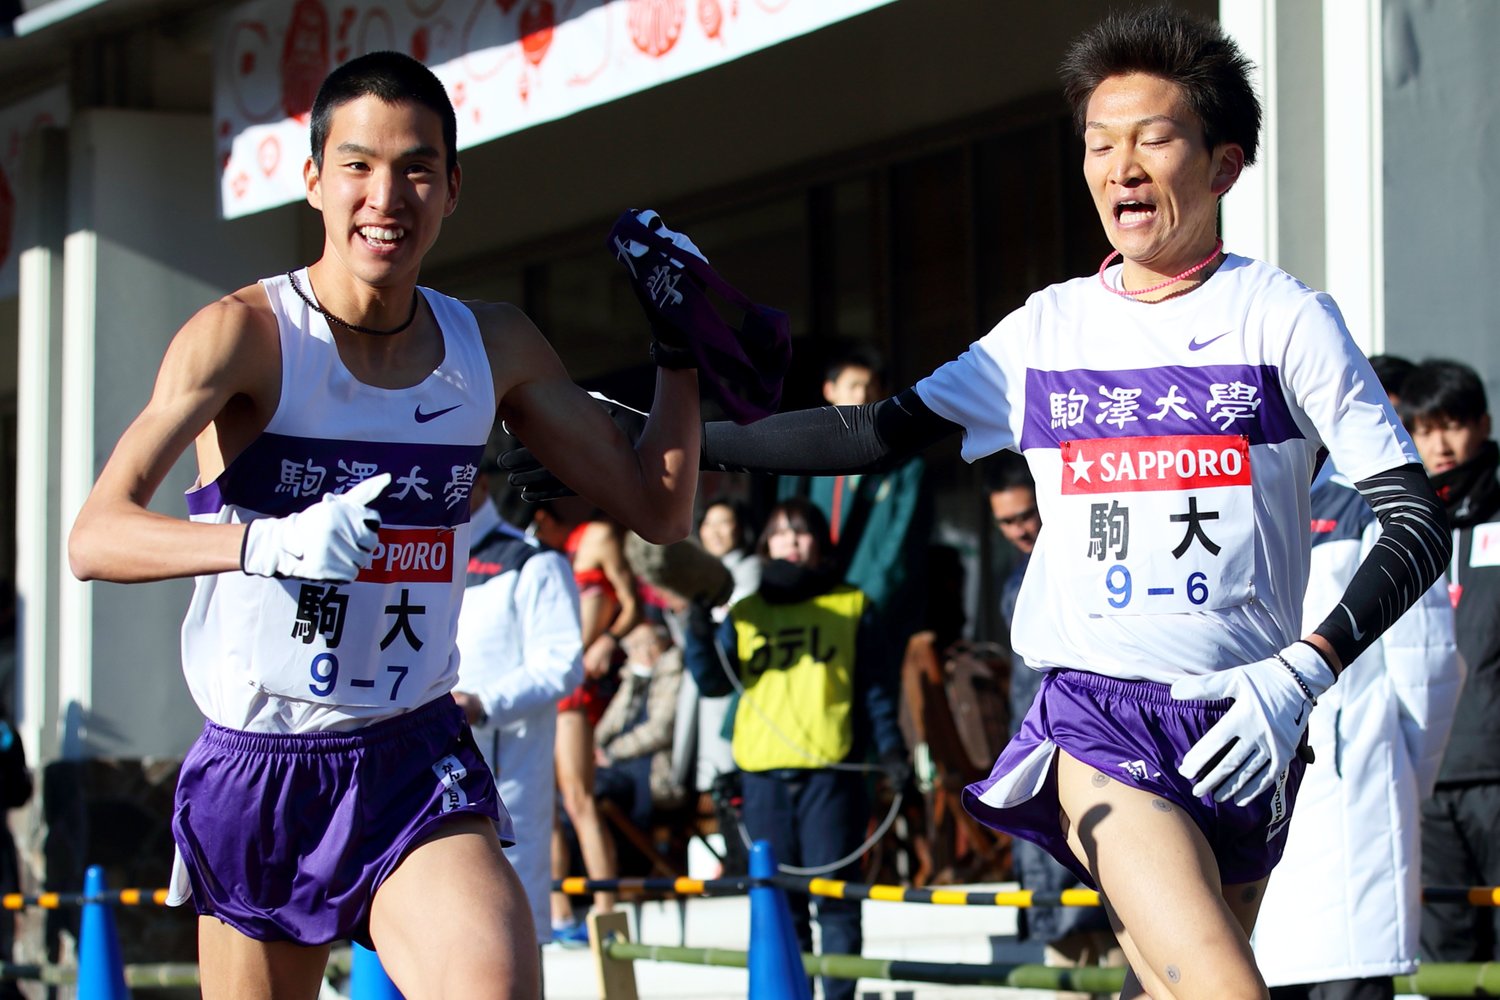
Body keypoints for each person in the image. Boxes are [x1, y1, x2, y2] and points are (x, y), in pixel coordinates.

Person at [505, 9, 1450, 996]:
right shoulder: (1046, 331)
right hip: (1101, 723)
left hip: (1252, 721)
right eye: (1099, 143)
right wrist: (653, 438)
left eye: (1154, 139)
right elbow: (870, 433)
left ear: (1224, 164)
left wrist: (1302, 672)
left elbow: (1417, 524)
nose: (1122, 165)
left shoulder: (1286, 319)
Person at [65, 50, 703, 999]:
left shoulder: (492, 345)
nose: (386, 196)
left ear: (452, 188)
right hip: (263, 763)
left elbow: (658, 505)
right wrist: (264, 543)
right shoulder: (245, 336)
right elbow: (94, 537)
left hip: (412, 748)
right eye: (358, 166)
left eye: (415, 169)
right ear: (315, 180)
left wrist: (680, 351)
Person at [1252, 356, 1463, 1000]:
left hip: (1265, 792)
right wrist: (1405, 781)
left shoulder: (1263, 499)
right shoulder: (1390, 510)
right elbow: (1427, 671)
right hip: (1356, 789)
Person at [680, 498, 906, 1000]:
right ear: (765, 546)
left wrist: (892, 752)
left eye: (802, 533)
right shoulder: (745, 612)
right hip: (761, 780)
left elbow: (876, 692)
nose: (791, 542)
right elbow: (715, 682)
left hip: (831, 776)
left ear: (820, 545)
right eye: (780, 534)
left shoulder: (852, 604)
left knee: (837, 903)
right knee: (781, 906)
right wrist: (697, 630)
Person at [985, 454, 1121, 995]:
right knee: (1060, 949)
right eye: (1006, 521)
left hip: (1104, 747)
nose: (1021, 528)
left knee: (1123, 930)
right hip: (1039, 754)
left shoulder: (1094, 556)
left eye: (1026, 514)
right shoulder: (1012, 579)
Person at [452, 459, 585, 958]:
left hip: (503, 778)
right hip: (422, 773)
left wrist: (483, 702)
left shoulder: (532, 561)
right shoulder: (420, 560)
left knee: (511, 937)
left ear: (480, 482)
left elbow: (562, 664)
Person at [1399, 359, 1500, 963]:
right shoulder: (1403, 525)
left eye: (1454, 424)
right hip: (1427, 769)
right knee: (1444, 947)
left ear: (1483, 425)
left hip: (1494, 767)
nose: (1439, 443)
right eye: (1424, 427)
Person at [528, 497, 634, 943]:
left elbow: (631, 605)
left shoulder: (599, 535)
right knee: (544, 804)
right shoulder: (538, 545)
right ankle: (560, 912)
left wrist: (607, 640)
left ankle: (608, 914)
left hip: (576, 680)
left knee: (578, 797)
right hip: (543, 679)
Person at [776, 348, 932, 650]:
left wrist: (865, 605)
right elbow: (786, 524)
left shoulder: (904, 466)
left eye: (870, 386)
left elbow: (900, 546)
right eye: (853, 386)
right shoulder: (804, 459)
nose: (862, 396)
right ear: (830, 390)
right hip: (809, 608)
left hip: (874, 613)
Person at [592, 620, 684, 834]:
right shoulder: (634, 676)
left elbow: (660, 730)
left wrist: (611, 752)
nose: (644, 651)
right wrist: (593, 749)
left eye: (649, 643)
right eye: (634, 646)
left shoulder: (673, 670)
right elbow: (610, 721)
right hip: (620, 765)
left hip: (651, 771)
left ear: (663, 642)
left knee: (588, 794)